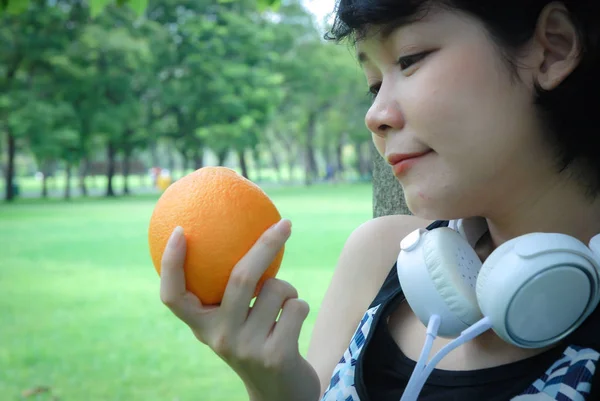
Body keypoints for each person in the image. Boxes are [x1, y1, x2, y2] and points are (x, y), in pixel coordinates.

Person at [157, 1, 600, 400]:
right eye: (373, 84)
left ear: (553, 49)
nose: (376, 115)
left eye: (409, 60)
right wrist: (272, 387)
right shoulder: (380, 256)